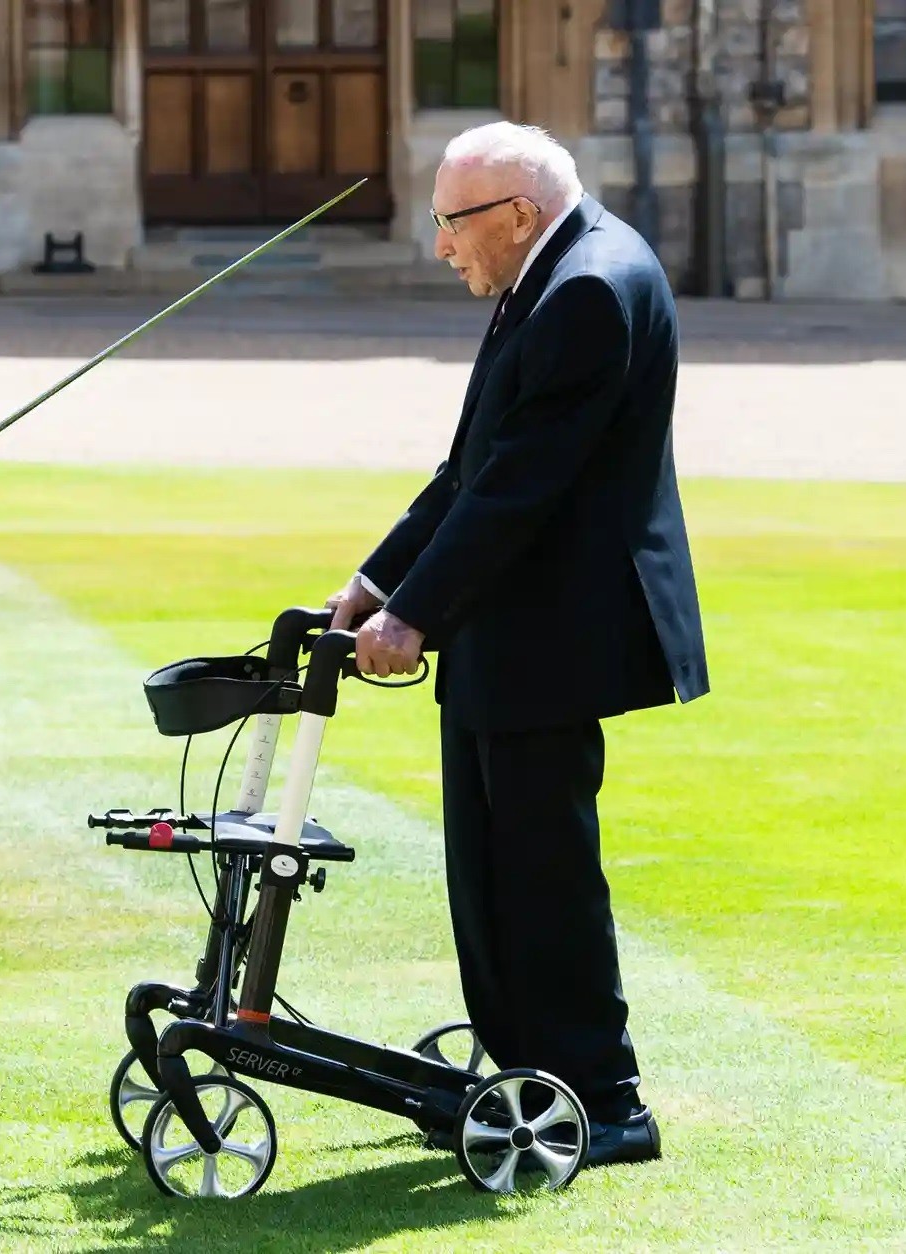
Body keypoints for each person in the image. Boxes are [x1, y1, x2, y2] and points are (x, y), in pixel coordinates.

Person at [327, 122, 708, 1167]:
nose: (439, 245)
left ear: (515, 218)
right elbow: (467, 468)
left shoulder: (586, 287)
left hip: (551, 631)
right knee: (487, 870)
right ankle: (521, 1070)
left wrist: (410, 618)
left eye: (451, 224)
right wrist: (366, 588)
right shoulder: (547, 273)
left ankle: (605, 1101)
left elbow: (516, 488)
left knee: (539, 875)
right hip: (508, 626)